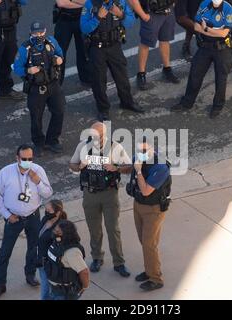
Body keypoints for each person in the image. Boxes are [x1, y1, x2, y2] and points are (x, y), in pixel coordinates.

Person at [69, 122, 132, 277]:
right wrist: (80, 166)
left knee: (113, 229)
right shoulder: (83, 146)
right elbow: (72, 165)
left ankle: (119, 262)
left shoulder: (115, 147)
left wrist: (116, 167)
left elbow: (129, 167)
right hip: (90, 194)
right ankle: (97, 258)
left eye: (100, 136)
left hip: (109, 194)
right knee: (94, 229)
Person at [0, 144, 53, 298]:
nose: (27, 161)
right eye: (24, 159)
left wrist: (37, 181)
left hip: (32, 215)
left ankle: (30, 275)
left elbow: (48, 193)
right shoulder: (5, 173)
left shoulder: (38, 170)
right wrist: (7, 215)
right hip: (14, 218)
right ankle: (0, 284)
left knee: (33, 247)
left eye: (30, 159)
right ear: (17, 158)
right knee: (5, 251)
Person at [80, 0, 144, 121]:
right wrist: (98, 17)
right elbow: (83, 28)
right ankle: (103, 109)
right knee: (99, 80)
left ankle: (127, 102)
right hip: (97, 47)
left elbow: (130, 22)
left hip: (115, 46)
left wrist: (120, 14)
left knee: (122, 77)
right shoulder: (90, 4)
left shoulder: (120, 2)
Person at [171, 0, 232, 119]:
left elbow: (223, 33)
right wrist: (211, 31)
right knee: (195, 73)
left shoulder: (228, 8)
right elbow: (196, 26)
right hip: (205, 46)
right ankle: (187, 103)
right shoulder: (204, 5)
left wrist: (206, 30)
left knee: (221, 78)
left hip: (222, 48)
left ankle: (218, 106)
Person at [13, 21, 66, 157]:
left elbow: (61, 54)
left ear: (45, 30)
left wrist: (59, 59)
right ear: (31, 33)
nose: (39, 35)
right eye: (36, 33)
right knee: (36, 117)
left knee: (59, 111)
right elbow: (16, 67)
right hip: (36, 88)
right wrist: (28, 70)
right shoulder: (25, 48)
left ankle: (52, 140)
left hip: (53, 84)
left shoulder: (51, 42)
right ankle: (38, 143)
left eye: (41, 32)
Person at [126, 139, 172, 291]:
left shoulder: (160, 168)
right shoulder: (138, 159)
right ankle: (149, 270)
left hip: (153, 209)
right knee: (144, 241)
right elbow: (130, 167)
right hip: (138, 205)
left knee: (149, 244)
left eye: (145, 151)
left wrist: (138, 171)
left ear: (153, 149)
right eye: (139, 151)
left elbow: (146, 190)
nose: (141, 154)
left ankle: (156, 278)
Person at [129, 0, 180, 90]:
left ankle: (167, 68)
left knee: (165, 39)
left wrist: (172, 4)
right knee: (146, 43)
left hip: (168, 9)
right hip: (152, 12)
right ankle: (141, 73)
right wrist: (143, 16)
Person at [44, 220, 90, 300]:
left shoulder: (72, 252)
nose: (54, 232)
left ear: (66, 234)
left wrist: (85, 286)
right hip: (53, 289)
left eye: (58, 231)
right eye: (55, 230)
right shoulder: (57, 243)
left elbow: (84, 272)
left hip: (64, 294)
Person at [53, 0, 92, 86]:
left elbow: (90, 2)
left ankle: (86, 79)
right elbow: (61, 3)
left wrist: (71, 1)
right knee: (59, 53)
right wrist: (83, 3)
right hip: (64, 20)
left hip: (82, 18)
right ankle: (57, 84)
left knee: (84, 50)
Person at [37, 199, 68, 300]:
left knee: (47, 292)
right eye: (45, 210)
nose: (46, 213)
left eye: (49, 210)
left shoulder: (61, 228)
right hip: (41, 261)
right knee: (45, 289)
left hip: (51, 264)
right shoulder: (45, 220)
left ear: (58, 212)